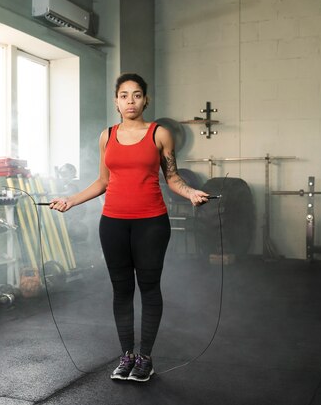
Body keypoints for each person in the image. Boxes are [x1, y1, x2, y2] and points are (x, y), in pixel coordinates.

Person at [49, 73, 209, 382]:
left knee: (148, 288)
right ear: (116, 101)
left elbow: (172, 177)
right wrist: (71, 200)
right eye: (124, 95)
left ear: (146, 100)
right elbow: (102, 182)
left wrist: (190, 193)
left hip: (151, 223)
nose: (130, 101)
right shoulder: (106, 136)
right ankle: (126, 356)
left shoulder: (159, 134)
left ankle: (145, 358)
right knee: (121, 290)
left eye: (137, 95)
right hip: (113, 224)